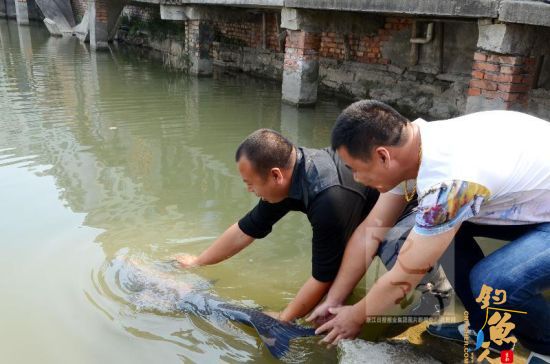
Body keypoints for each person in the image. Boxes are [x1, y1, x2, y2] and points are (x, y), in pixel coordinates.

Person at [308, 100, 550, 363]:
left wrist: (356, 316)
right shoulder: (415, 148)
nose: (356, 178)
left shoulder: (448, 182)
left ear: (382, 156)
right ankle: (488, 330)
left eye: (355, 169)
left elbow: (406, 274)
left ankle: (545, 347)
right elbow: (371, 230)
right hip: (533, 202)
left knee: (492, 281)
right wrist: (334, 301)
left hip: (538, 210)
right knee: (427, 232)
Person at [176, 128, 449, 322]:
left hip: (411, 207)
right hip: (361, 214)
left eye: (250, 183)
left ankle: (439, 307)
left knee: (397, 254)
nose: (249, 189)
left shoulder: (327, 197)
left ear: (275, 175)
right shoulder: (289, 175)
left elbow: (323, 275)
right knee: (334, 287)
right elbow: (247, 229)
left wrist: (285, 317)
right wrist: (198, 262)